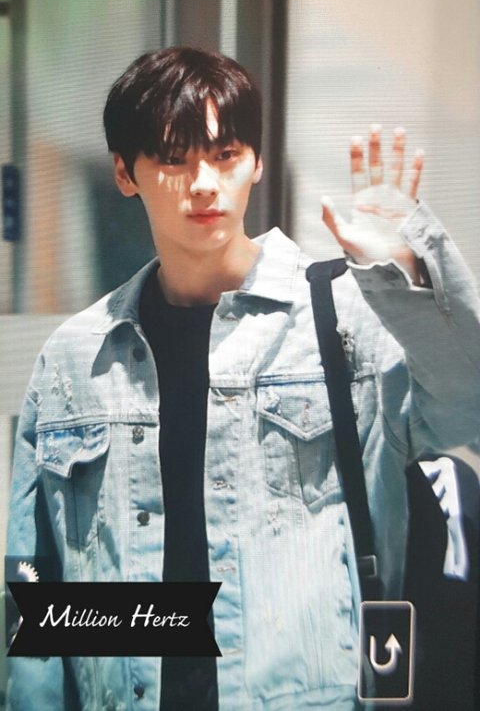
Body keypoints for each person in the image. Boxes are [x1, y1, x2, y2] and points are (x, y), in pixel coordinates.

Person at [6, 46, 480, 711]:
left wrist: (406, 276)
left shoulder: (340, 316)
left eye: (225, 154)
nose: (204, 182)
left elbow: (466, 408)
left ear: (255, 161)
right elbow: (39, 585)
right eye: (174, 158)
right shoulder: (77, 356)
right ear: (124, 172)